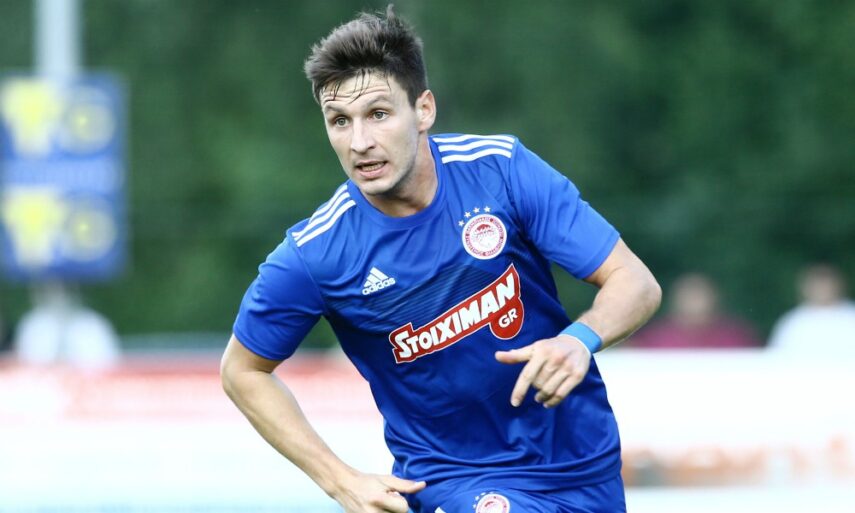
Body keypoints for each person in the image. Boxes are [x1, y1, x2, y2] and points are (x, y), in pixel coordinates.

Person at [220, 6, 661, 513]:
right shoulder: (317, 252)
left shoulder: (501, 171)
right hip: (454, 481)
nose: (359, 142)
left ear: (423, 110)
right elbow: (242, 371)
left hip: (583, 463)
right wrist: (340, 481)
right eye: (339, 121)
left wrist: (579, 339)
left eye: (378, 114)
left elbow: (635, 282)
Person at [627, 272, 762, 349]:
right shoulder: (653, 339)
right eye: (689, 297)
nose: (695, 305)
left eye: (699, 297)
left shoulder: (735, 338)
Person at [768, 263, 855, 354]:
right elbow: (777, 356)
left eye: (826, 283)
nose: (823, 288)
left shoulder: (851, 316)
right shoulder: (793, 322)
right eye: (818, 284)